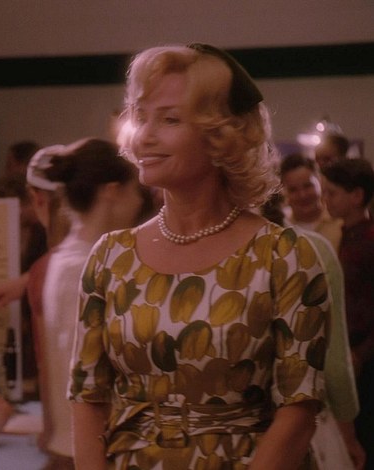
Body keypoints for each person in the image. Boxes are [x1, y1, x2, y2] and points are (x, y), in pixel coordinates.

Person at [69, 44, 330, 469]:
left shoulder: (284, 255)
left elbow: (299, 407)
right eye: (141, 116)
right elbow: (87, 395)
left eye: (169, 119)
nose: (144, 135)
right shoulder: (110, 257)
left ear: (220, 135)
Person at [38, 138, 146, 469]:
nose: (139, 202)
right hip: (91, 450)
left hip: (80, 445)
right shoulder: (85, 266)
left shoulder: (72, 259)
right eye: (135, 190)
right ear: (113, 191)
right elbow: (87, 378)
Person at [322, 157, 374, 469]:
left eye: (332, 193)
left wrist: (362, 352)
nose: (325, 199)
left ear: (356, 196)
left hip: (365, 356)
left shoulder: (368, 240)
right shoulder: (344, 235)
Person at [279, 152, 343, 251]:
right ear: (283, 192)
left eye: (307, 186)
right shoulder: (280, 228)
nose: (302, 195)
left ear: (320, 182)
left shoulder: (341, 224)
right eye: (293, 190)